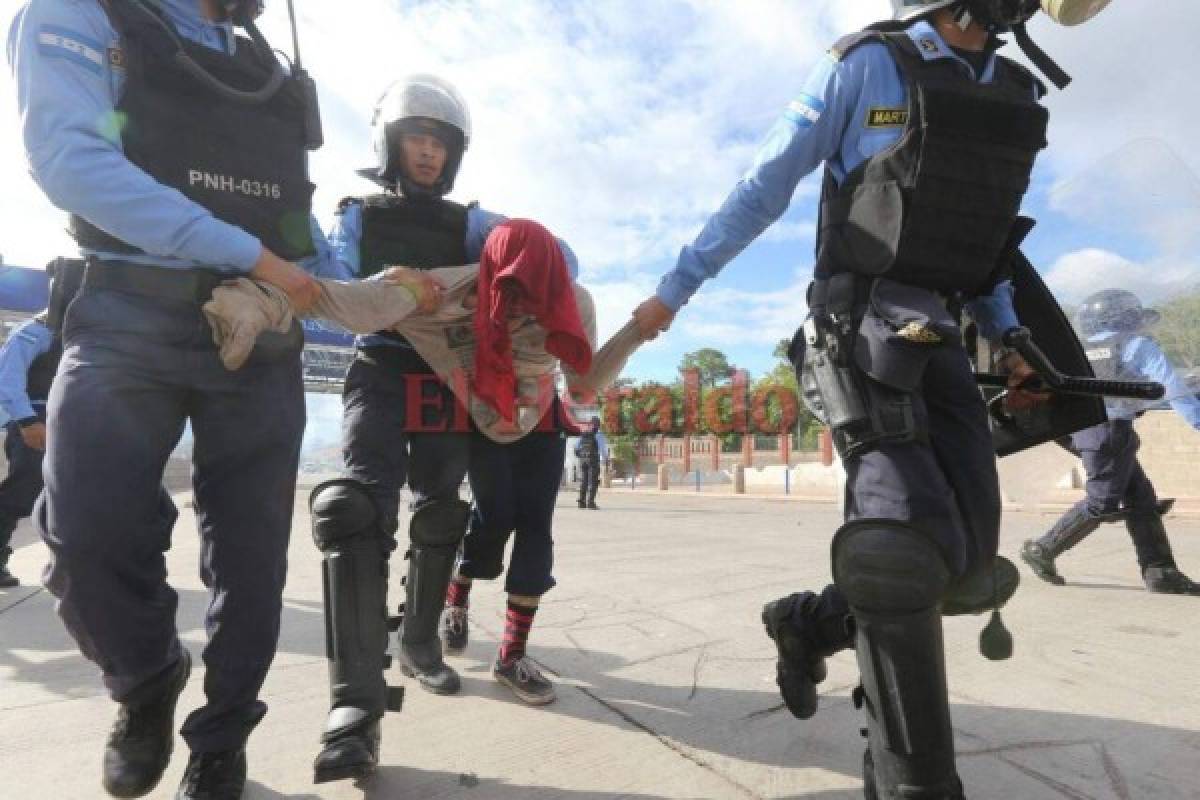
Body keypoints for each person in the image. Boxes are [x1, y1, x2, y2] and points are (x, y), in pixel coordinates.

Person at [630, 1, 1094, 795]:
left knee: (969, 564)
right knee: (897, 545)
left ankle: (807, 623)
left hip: (943, 329)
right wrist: (676, 290)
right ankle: (911, 778)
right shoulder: (863, 66)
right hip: (860, 323)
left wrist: (1013, 339)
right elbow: (763, 185)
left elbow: (982, 245)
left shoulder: (1008, 89)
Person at [8, 1, 339, 797]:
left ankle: (223, 736)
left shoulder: (270, 72)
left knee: (252, 564)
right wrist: (253, 254)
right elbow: (73, 163)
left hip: (262, 332)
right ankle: (146, 677)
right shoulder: (81, 15)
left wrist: (382, 289)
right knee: (86, 532)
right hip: (127, 312)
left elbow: (299, 227)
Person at [309, 75, 579, 783]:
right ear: (390, 145)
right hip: (378, 369)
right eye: (415, 139)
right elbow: (331, 282)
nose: (427, 153)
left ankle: (422, 644)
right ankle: (354, 705)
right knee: (356, 512)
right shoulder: (358, 215)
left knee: (441, 513)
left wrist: (496, 264)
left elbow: (555, 263)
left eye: (439, 142)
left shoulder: (472, 221)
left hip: (448, 380)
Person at [440, 219, 594, 707]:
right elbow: (415, 325)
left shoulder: (576, 300)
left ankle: (511, 654)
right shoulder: (466, 294)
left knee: (536, 525)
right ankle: (456, 596)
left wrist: (636, 335)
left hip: (543, 419)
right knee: (495, 515)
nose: (524, 298)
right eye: (514, 282)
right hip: (486, 416)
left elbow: (584, 372)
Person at [1021, 289, 1200, 595]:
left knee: (1141, 500)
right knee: (1100, 502)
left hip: (1082, 431)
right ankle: (1044, 547)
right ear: (1128, 317)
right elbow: (1173, 389)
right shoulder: (1136, 345)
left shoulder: (1078, 347)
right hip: (1111, 433)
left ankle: (1160, 571)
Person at [0, 312, 54, 588]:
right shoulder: (34, 332)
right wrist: (27, 420)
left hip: (75, 422)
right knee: (23, 490)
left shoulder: (90, 329)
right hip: (34, 423)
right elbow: (8, 379)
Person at [574, 416, 608, 509]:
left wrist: (580, 455)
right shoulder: (599, 434)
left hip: (583, 460)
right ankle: (590, 503)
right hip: (593, 460)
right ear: (598, 424)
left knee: (584, 481)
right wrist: (606, 460)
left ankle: (581, 502)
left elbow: (576, 447)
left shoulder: (584, 434)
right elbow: (603, 450)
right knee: (593, 481)